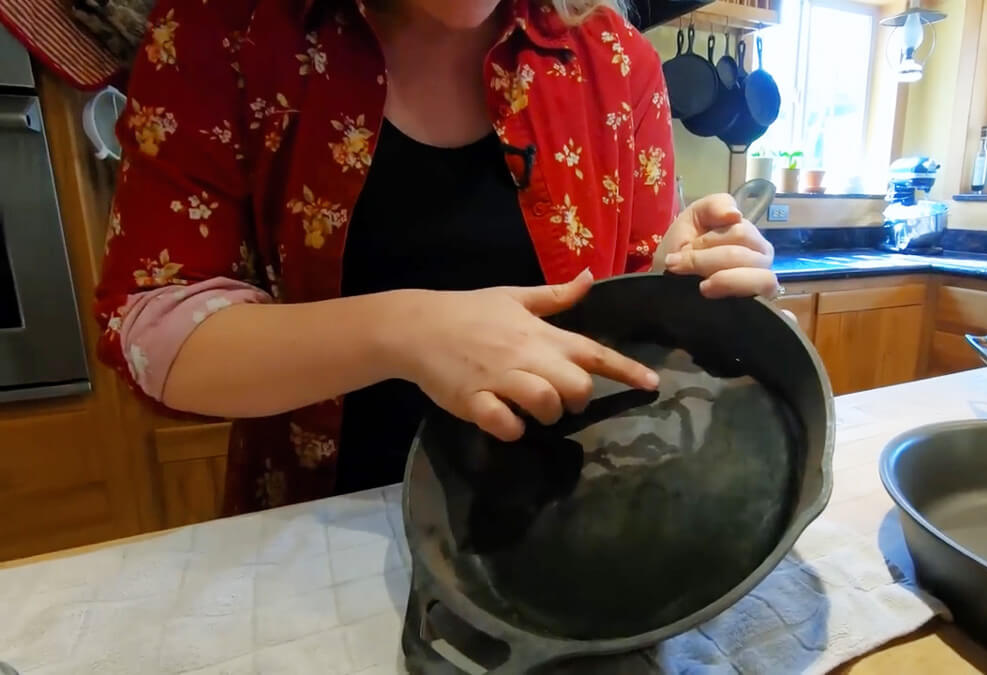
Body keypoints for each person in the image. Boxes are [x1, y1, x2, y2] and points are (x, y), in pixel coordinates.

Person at [94, 0, 779, 516]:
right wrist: (409, 331)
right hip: (320, 534)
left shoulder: (615, 59)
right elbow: (155, 322)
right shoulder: (224, 31)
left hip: (562, 526)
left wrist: (681, 272)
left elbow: (627, 311)